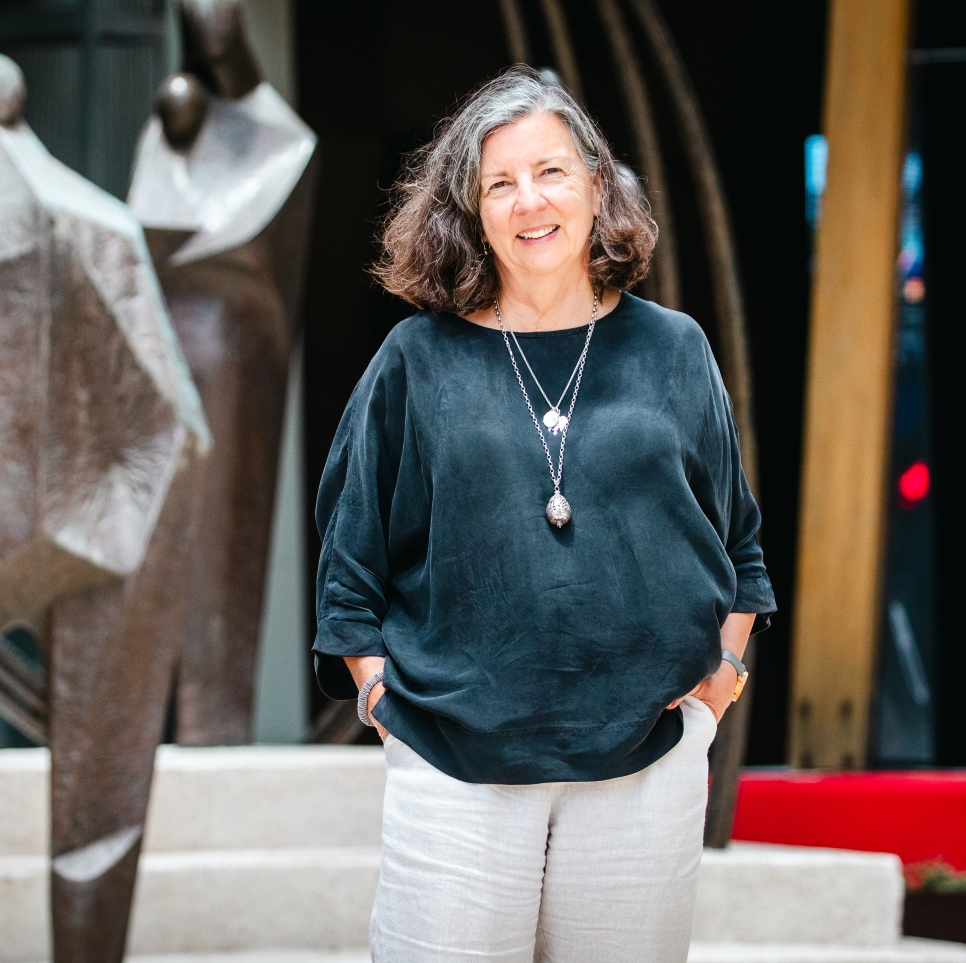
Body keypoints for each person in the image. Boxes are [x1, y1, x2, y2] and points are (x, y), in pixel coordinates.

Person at [313, 66, 775, 963]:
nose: (531, 200)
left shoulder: (674, 349)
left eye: (552, 171)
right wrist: (378, 694)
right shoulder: (417, 359)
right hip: (454, 766)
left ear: (598, 187)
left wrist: (721, 679)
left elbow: (739, 542)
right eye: (500, 182)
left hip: (646, 764)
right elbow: (348, 565)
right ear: (471, 211)